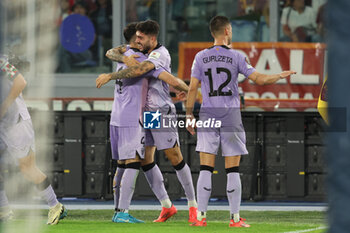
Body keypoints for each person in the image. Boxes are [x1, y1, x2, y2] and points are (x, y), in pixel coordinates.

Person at [186, 15, 296, 227]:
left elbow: (192, 88)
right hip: (230, 116)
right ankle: (234, 219)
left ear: (212, 33)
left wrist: (189, 115)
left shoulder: (200, 57)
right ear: (227, 31)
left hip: (208, 114)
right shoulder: (237, 57)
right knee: (232, 169)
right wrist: (281, 75)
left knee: (205, 168)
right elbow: (260, 80)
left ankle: (200, 217)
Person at [97, 20, 198, 223]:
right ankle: (167, 207)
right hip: (143, 114)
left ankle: (193, 206)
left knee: (174, 156)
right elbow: (111, 51)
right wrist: (123, 55)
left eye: (142, 37)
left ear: (152, 38)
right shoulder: (134, 52)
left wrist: (193, 92)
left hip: (160, 112)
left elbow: (151, 73)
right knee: (146, 160)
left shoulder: (159, 54)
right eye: (137, 37)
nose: (139, 40)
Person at [0, 54, 67, 224]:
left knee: (27, 168)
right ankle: (4, 210)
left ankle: (55, 205)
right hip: (3, 125)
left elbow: (21, 82)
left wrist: (4, 107)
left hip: (16, 124)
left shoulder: (1, 63)